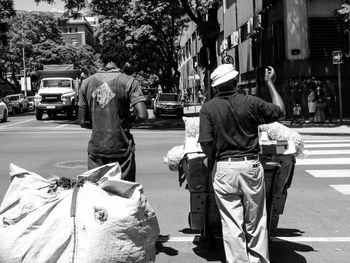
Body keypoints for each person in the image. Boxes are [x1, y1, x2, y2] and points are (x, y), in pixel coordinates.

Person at [199, 64, 285, 263]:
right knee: (256, 221)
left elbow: (205, 142)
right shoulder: (250, 102)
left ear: (216, 87)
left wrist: (212, 160)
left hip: (224, 168)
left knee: (231, 223)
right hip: (251, 167)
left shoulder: (208, 108)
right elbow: (280, 111)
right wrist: (270, 83)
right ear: (235, 82)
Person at [78, 61, 148, 182]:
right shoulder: (128, 81)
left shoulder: (86, 83)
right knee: (124, 192)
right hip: (121, 149)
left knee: (98, 192)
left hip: (97, 149)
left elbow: (82, 121)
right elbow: (143, 115)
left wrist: (97, 124)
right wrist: (127, 122)